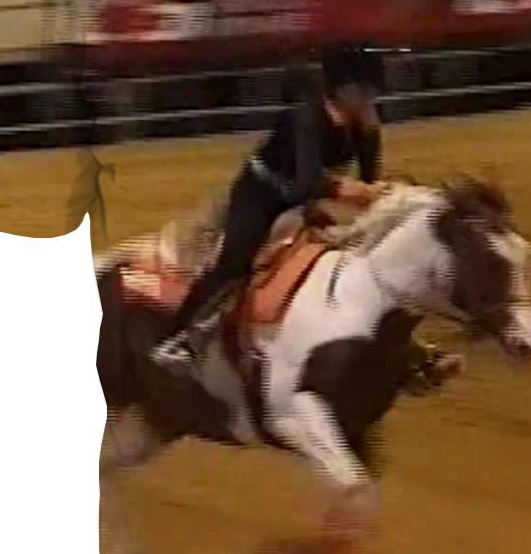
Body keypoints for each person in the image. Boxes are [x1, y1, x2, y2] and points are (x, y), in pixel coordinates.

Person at [153, 44, 389, 366]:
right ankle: (176, 337)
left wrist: (377, 192)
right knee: (236, 261)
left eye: (372, 91)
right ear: (342, 89)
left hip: (303, 199)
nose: (371, 98)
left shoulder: (364, 123)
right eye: (364, 91)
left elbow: (370, 179)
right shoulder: (305, 118)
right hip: (261, 194)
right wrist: (361, 191)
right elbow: (309, 182)